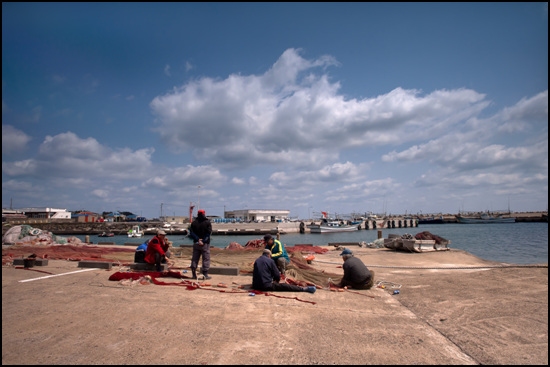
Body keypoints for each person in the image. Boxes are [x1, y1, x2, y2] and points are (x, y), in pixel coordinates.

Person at [189, 209, 212, 280]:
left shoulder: (194, 223)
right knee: (206, 258)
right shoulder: (207, 222)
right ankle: (205, 274)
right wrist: (203, 240)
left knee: (195, 258)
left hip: (196, 243)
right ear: (204, 214)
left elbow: (191, 233)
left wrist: (197, 239)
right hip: (204, 244)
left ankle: (193, 274)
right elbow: (208, 233)